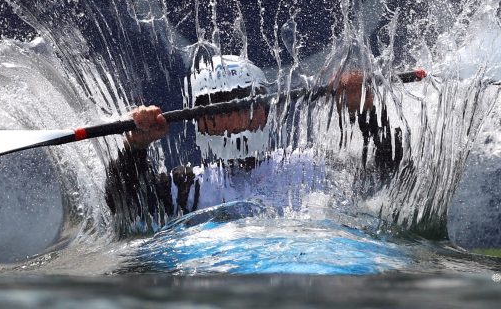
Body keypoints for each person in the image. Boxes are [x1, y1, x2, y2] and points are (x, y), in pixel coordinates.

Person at [104, 52, 404, 228]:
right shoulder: (186, 187)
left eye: (243, 103)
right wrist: (136, 147)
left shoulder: (311, 164)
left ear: (263, 112)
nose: (233, 120)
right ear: (201, 121)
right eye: (218, 106)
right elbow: (124, 208)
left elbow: (391, 176)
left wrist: (366, 112)